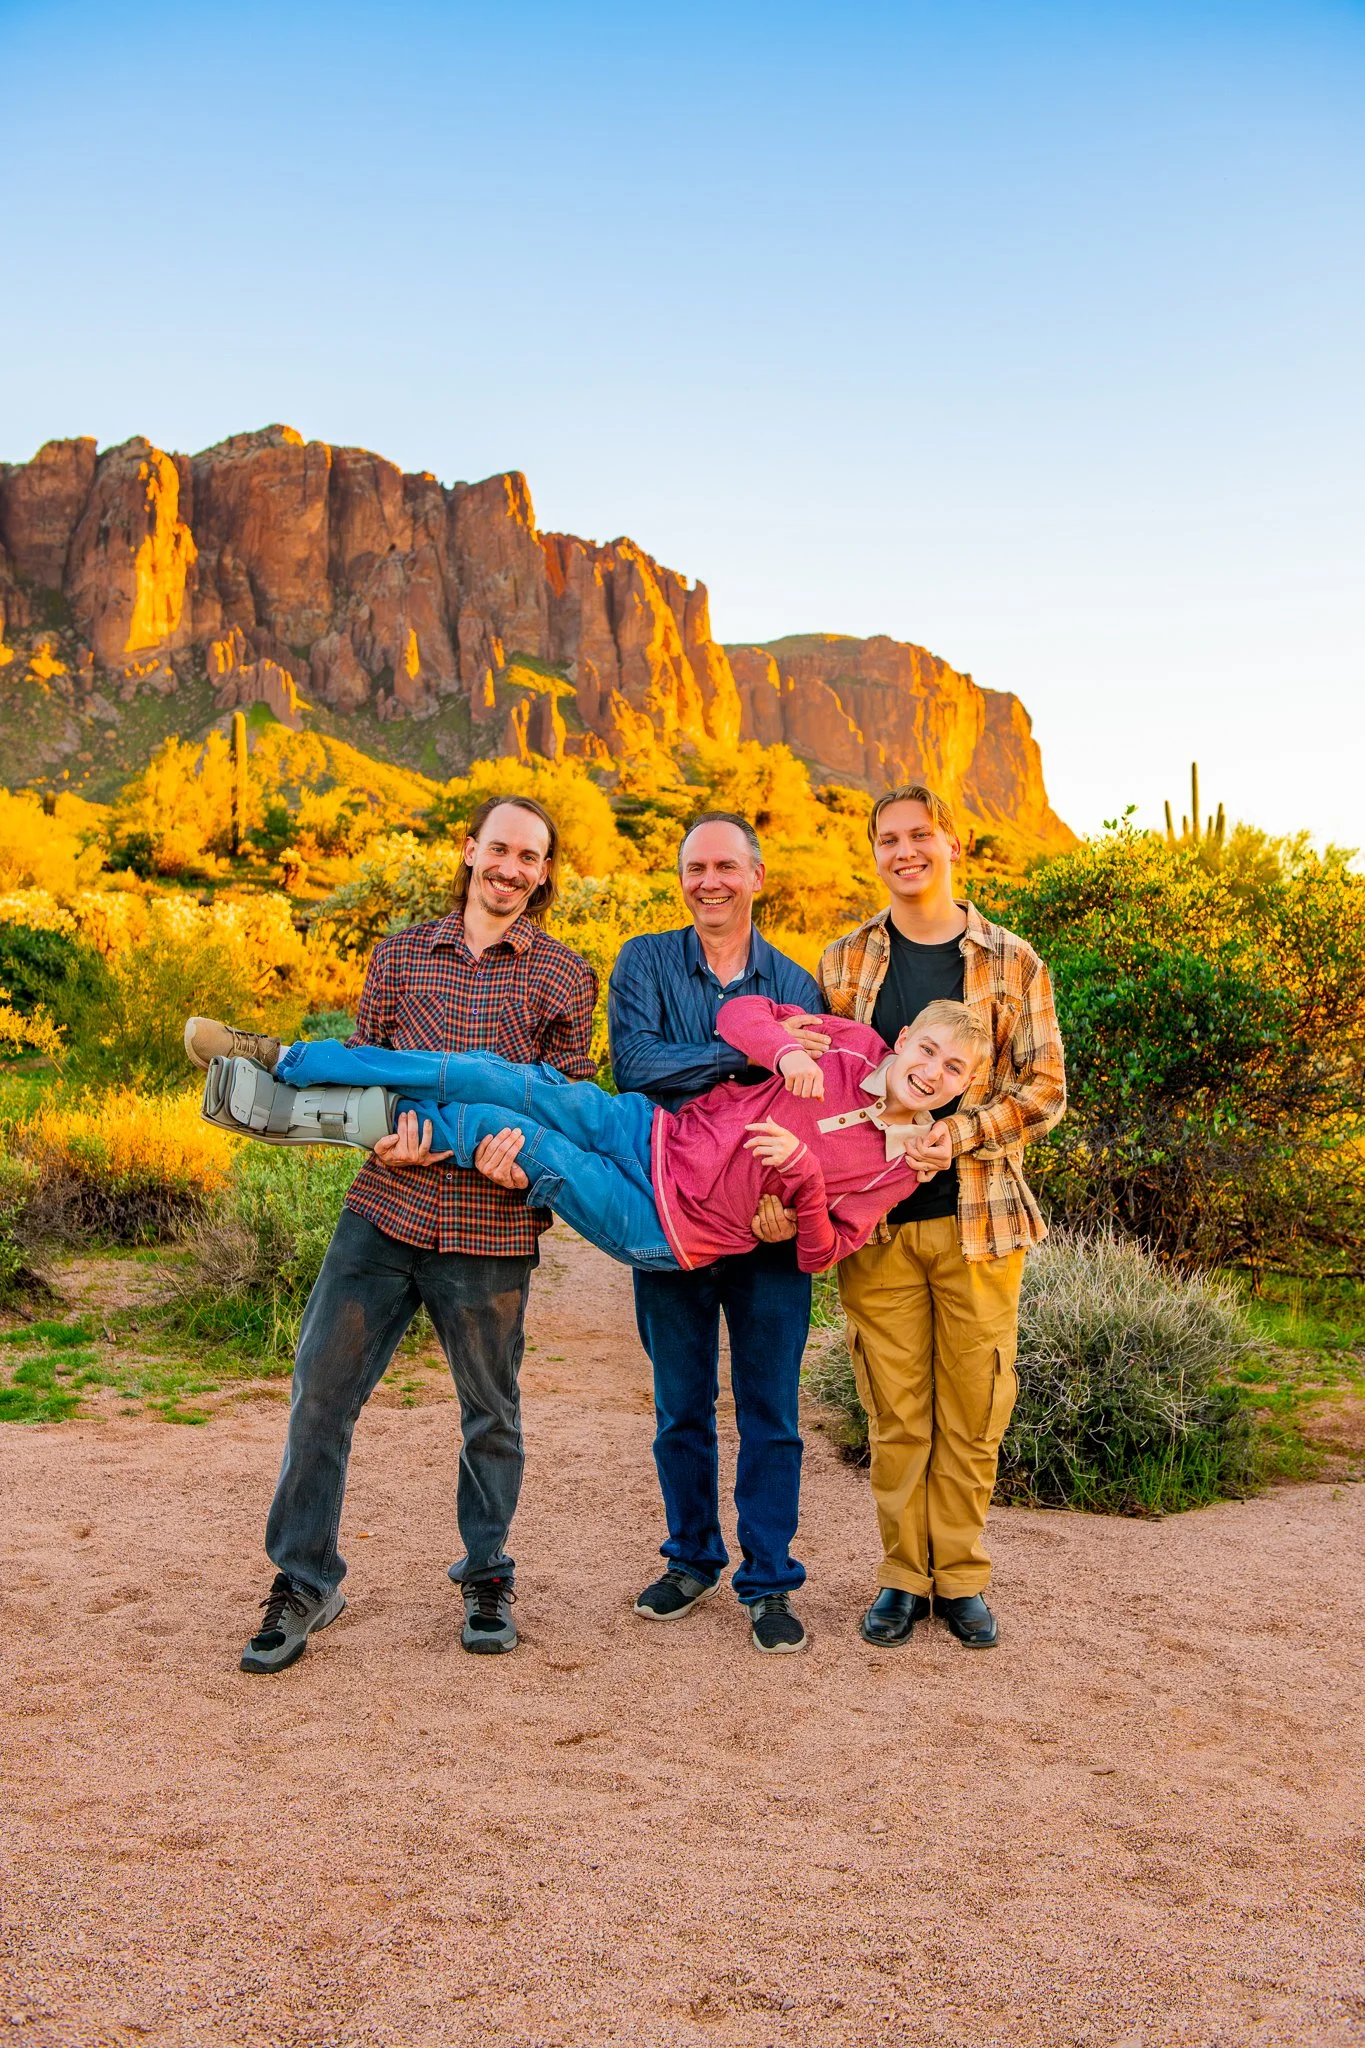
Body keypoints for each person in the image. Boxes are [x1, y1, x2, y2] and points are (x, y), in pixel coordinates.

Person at [187, 795, 596, 1673]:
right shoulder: (402, 953)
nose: (512, 869)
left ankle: (485, 1572)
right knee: (321, 1396)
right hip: (383, 1210)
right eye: (499, 850)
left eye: (530, 857)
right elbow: (359, 1067)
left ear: (546, 871)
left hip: (489, 1226)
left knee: (491, 1413)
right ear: (468, 852)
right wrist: (376, 1137)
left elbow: (570, 1105)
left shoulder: (564, 977)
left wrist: (518, 1162)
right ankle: (305, 1579)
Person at [194, 996, 987, 1279]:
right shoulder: (847, 1044)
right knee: (494, 1075)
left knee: (494, 1130)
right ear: (906, 1038)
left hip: (667, 1226)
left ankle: (299, 1118)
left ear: (961, 1091)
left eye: (952, 1071)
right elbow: (736, 1015)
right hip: (652, 1130)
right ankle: (286, 1058)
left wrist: (806, 1183)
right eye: (927, 1050)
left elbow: (822, 1252)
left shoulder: (904, 1167)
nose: (932, 1071)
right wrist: (778, 1048)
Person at [813, 783, 1066, 1650]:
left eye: (920, 834)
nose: (904, 851)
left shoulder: (1012, 960)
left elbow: (1043, 1088)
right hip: (874, 1227)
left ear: (953, 844)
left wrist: (953, 1136)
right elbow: (828, 1081)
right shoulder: (844, 961)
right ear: (874, 852)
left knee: (974, 1404)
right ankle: (897, 1576)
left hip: (980, 1221)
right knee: (895, 1409)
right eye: (888, 838)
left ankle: (956, 1577)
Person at [606, 814, 825, 1653]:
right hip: (673, 1214)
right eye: (695, 867)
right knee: (680, 1406)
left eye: (725, 866)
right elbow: (634, 1066)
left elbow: (808, 1111)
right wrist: (746, 1058)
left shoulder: (798, 988)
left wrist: (792, 1201)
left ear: (756, 877)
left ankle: (767, 1582)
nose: (709, 882)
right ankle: (691, 1558)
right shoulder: (645, 960)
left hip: (768, 1229)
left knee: (771, 1410)